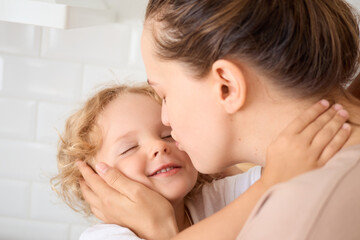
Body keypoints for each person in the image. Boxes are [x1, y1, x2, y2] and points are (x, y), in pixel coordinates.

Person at [78, 0, 360, 239]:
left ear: (227, 86)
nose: (166, 119)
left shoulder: (299, 218)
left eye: (164, 94)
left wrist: (162, 231)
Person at [52, 83, 347, 240]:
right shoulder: (106, 238)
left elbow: (293, 164)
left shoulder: (213, 198)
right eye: (129, 148)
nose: (158, 146)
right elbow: (275, 179)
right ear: (95, 181)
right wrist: (271, 183)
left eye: (168, 135)